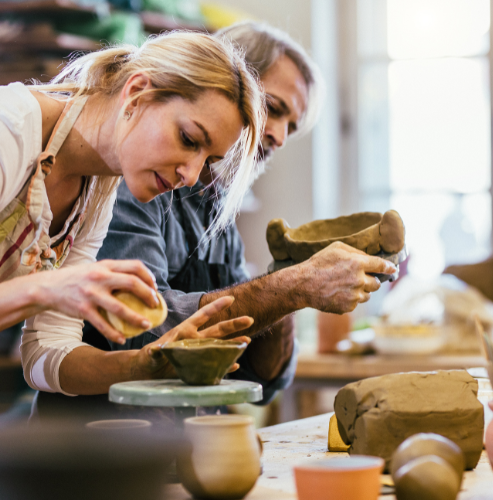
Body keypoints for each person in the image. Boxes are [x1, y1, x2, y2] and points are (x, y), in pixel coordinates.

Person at [75, 22, 396, 405]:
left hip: (186, 447)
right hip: (97, 446)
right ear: (229, 85)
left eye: (290, 127)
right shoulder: (134, 175)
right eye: (272, 110)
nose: (277, 135)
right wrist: (293, 285)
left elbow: (260, 379)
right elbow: (146, 332)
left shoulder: (215, 201)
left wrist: (291, 272)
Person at [9, 31, 267, 397]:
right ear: (136, 93)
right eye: (189, 139)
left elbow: (45, 356)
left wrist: (143, 363)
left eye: (207, 160)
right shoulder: (11, 131)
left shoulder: (97, 191)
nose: (190, 176)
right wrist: (52, 288)